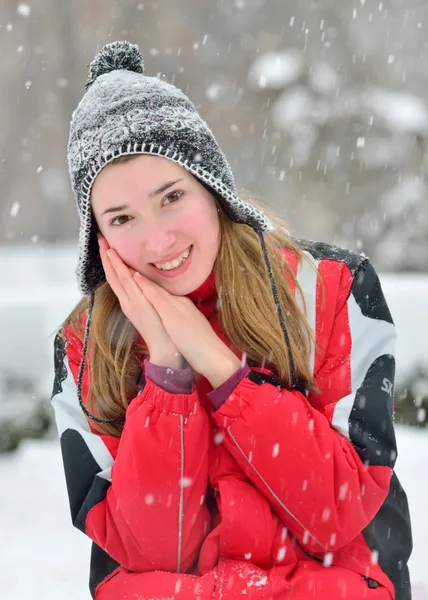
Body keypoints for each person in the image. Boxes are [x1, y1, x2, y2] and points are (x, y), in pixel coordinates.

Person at [51, 41, 412, 600]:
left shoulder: (332, 289)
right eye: (122, 218)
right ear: (96, 240)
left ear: (212, 189)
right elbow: (153, 552)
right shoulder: (83, 347)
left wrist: (222, 370)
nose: (158, 240)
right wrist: (167, 372)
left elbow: (336, 513)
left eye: (171, 197)